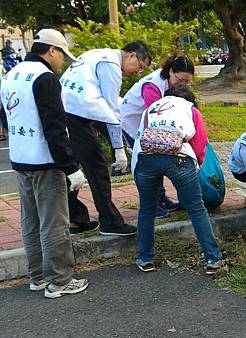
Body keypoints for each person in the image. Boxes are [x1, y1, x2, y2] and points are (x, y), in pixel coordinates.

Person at [0, 29, 89, 298]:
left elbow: (6, 118)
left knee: (30, 220)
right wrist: (71, 167)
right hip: (46, 162)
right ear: (52, 50)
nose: (62, 62)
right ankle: (60, 281)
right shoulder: (45, 78)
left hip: (20, 159)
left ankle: (37, 277)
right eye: (62, 55)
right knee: (54, 223)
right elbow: (55, 127)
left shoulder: (11, 75)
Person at [60, 41, 152, 236]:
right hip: (77, 115)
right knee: (97, 167)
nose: (138, 72)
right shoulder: (111, 65)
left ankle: (75, 219)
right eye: (140, 67)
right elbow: (111, 112)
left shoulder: (97, 52)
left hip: (65, 109)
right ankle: (110, 222)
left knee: (71, 166)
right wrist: (119, 149)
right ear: (132, 56)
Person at [131, 85, 223, 274]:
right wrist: (195, 167)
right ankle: (213, 258)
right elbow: (199, 144)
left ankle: (145, 258)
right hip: (179, 158)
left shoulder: (151, 108)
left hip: (146, 158)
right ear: (189, 98)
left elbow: (139, 136)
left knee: (147, 209)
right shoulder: (190, 109)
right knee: (196, 208)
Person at [120, 55, 195, 218]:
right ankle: (153, 205)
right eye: (180, 79)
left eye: (187, 82)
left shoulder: (170, 85)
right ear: (170, 72)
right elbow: (157, 118)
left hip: (148, 125)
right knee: (149, 162)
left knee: (157, 158)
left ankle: (162, 199)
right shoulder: (152, 86)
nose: (183, 84)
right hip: (134, 123)